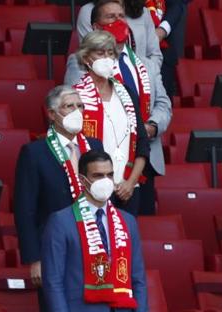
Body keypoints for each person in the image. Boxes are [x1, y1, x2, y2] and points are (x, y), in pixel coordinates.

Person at [41, 150, 148, 312]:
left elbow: (137, 278)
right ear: (83, 180)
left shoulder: (127, 221)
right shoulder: (61, 221)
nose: (106, 181)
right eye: (99, 176)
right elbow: (53, 282)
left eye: (110, 175)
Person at [14, 86, 104, 312]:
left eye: (80, 106)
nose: (77, 111)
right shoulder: (35, 152)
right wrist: (34, 258)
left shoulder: (95, 147)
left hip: (92, 245)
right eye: (69, 106)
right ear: (52, 114)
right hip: (53, 248)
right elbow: (25, 209)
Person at [67, 0, 171, 215]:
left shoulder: (146, 65)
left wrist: (151, 126)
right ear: (96, 25)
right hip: (96, 168)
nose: (118, 22)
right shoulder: (81, 63)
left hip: (142, 162)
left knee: (136, 231)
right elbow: (73, 108)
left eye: (121, 16)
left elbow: (163, 103)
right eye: (110, 17)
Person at [73, 30, 151, 215]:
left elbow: (142, 141)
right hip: (92, 188)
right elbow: (73, 147)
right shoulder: (75, 96)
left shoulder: (126, 93)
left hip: (128, 188)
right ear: (85, 58)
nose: (107, 58)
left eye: (110, 53)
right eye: (100, 53)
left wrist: (131, 182)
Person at [75, 0, 162, 72]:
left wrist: (141, 78)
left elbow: (155, 55)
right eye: (110, 16)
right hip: (104, 81)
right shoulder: (87, 11)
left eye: (121, 15)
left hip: (143, 82)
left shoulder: (143, 12)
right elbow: (90, 56)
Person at [151, 0, 188, 97]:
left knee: (163, 103)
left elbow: (177, 4)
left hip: (163, 51)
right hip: (128, 49)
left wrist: (162, 30)